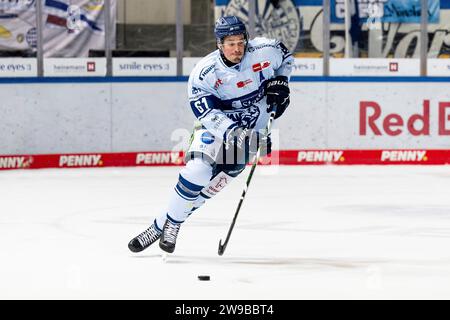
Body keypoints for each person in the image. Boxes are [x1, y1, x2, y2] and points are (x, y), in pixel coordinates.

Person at [128, 16, 293, 254]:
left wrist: (283, 83)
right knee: (198, 170)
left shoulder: (265, 50)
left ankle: (158, 226)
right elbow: (207, 113)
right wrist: (236, 135)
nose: (237, 48)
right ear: (219, 44)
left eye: (241, 42)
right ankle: (172, 224)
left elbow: (286, 58)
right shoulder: (204, 73)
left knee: (210, 187)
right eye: (231, 43)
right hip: (216, 127)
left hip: (253, 128)